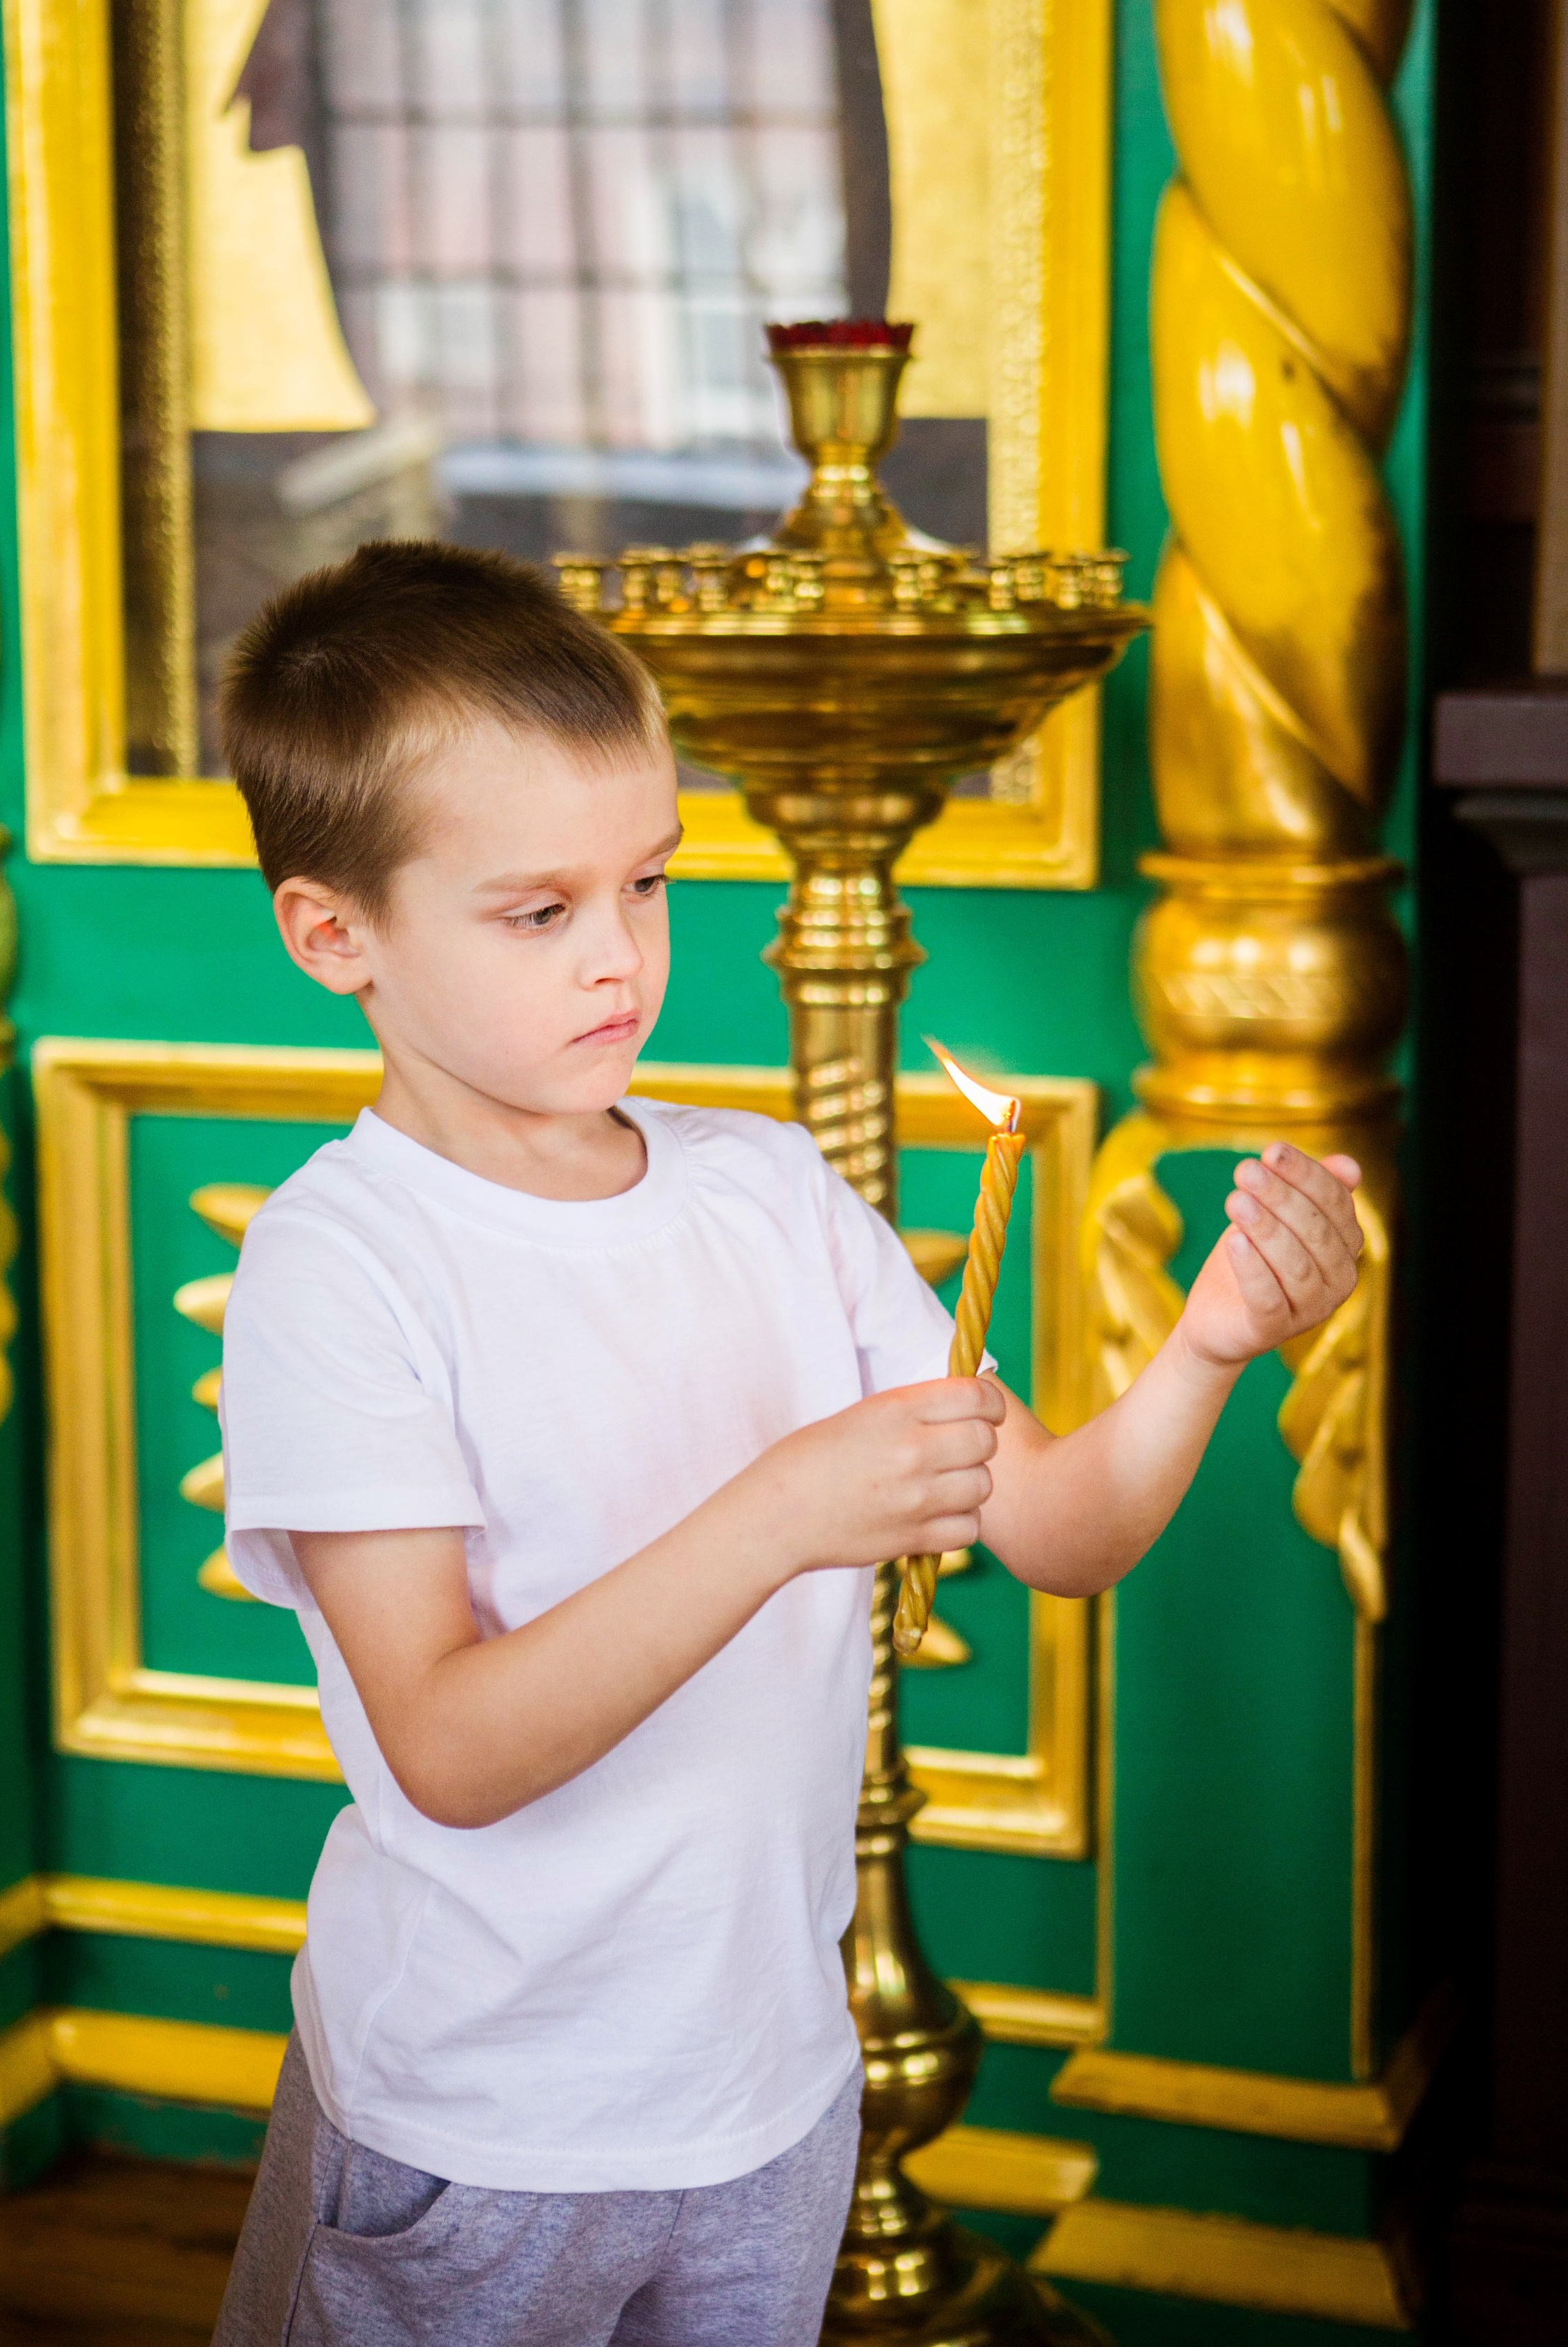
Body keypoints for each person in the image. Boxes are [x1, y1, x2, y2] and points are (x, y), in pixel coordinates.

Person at [210, 542, 1363, 2347]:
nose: (621, 961)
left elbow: (1058, 1526)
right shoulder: (339, 1266)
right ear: (333, 934)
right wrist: (773, 1518)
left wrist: (1209, 1342)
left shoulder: (760, 1187)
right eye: (538, 913)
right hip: (483, 2126)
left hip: (766, 2098)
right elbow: (446, 1744)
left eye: (649, 884)